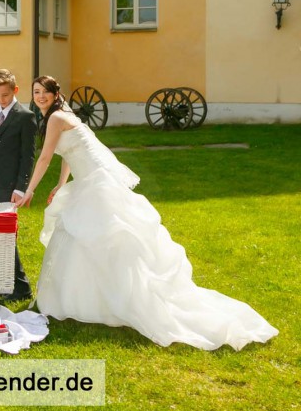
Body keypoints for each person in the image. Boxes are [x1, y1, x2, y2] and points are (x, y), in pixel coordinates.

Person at [16, 75, 278, 350]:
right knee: (83, 236)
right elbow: (69, 154)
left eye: (45, 92)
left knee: (102, 237)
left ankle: (119, 300)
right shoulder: (60, 115)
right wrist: (60, 185)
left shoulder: (56, 117)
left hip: (96, 184)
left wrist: (30, 189)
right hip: (90, 180)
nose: (40, 96)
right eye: (36, 92)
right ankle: (88, 300)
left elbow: (45, 157)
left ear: (55, 94)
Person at [0, 69, 36, 302]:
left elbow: (27, 156)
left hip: (11, 186)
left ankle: (21, 287)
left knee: (5, 236)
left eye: (5, 95)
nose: (1, 100)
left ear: (15, 91)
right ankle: (5, 283)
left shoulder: (25, 117)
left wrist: (21, 187)